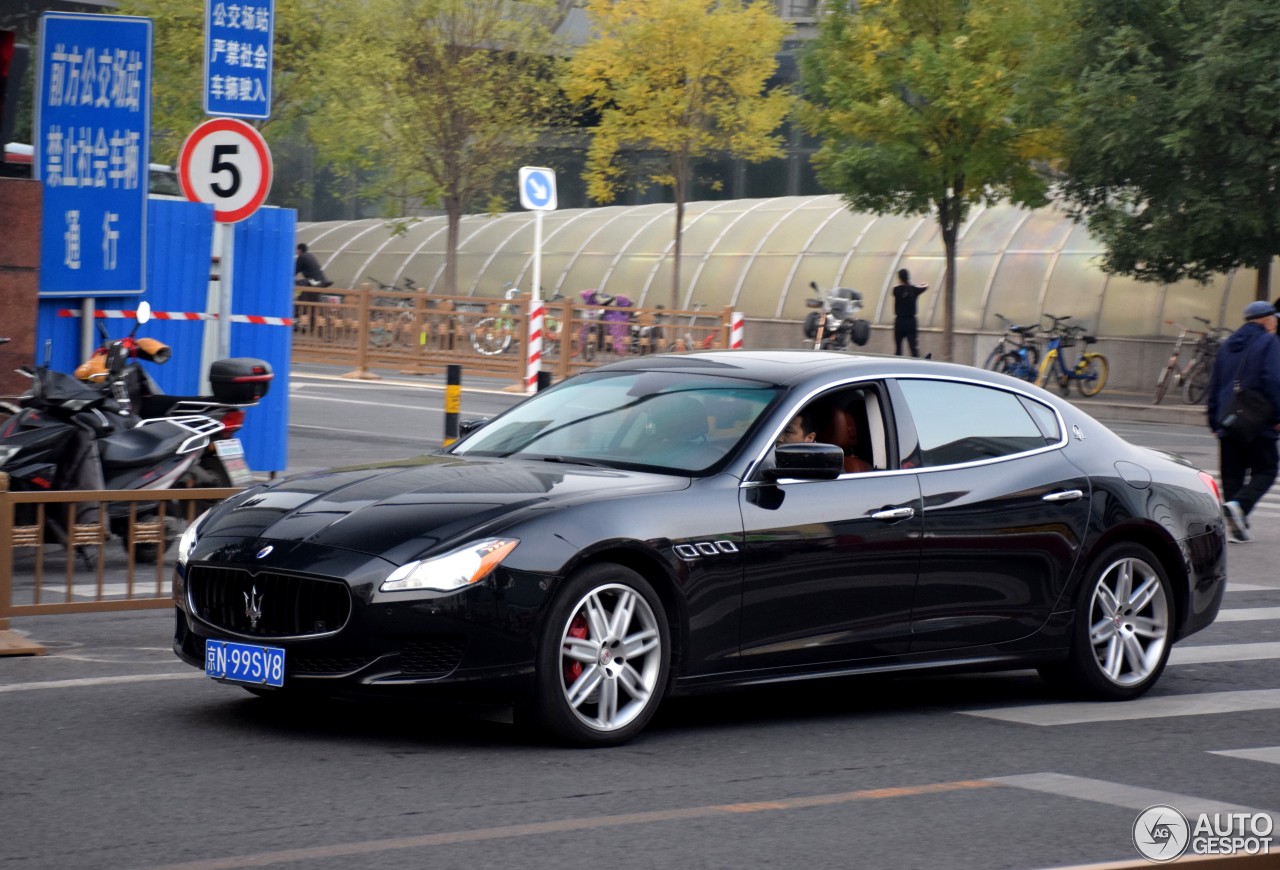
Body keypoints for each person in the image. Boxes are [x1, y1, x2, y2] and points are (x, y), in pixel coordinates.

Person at [1207, 300, 1280, 542]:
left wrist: (1215, 421)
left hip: (1228, 420)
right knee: (1267, 468)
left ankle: (1237, 527)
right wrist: (1278, 416)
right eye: (1275, 319)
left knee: (1232, 475)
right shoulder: (1268, 341)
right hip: (1257, 419)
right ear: (1267, 320)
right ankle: (1240, 506)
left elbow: (1215, 384)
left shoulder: (1228, 344)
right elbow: (1272, 380)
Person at [892, 268, 928, 357]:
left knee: (898, 349)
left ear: (899, 279)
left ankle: (897, 366)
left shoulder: (896, 290)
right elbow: (925, 286)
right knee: (913, 348)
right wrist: (920, 284)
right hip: (911, 321)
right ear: (908, 278)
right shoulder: (914, 290)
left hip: (899, 322)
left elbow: (900, 290)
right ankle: (918, 366)